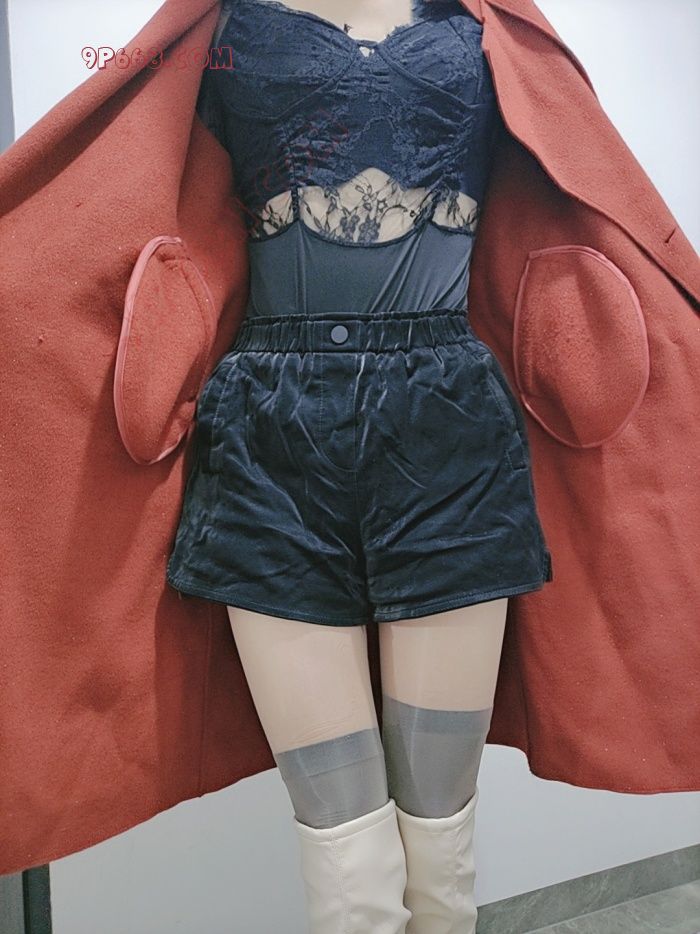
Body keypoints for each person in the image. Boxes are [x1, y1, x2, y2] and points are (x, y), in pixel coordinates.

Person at [165, 1, 552, 930]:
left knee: (440, 846)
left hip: (446, 427)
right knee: (348, 862)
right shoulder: (220, 25)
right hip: (274, 434)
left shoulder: (481, 20)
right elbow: (132, 179)